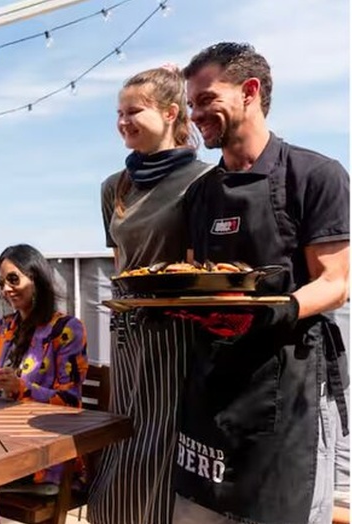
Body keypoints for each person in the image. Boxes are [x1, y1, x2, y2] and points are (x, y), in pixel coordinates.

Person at [173, 42, 349, 524]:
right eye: (191, 103)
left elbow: (335, 283)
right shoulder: (201, 194)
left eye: (206, 99)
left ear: (250, 92)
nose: (196, 113)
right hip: (213, 381)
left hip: (287, 382)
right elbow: (196, 279)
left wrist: (274, 310)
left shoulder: (315, 175)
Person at [88, 65, 212, 524]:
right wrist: (121, 317)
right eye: (118, 113)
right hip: (127, 327)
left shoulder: (202, 180)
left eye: (133, 111)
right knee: (124, 433)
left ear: (171, 112)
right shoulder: (113, 187)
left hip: (177, 332)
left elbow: (203, 266)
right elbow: (119, 262)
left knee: (163, 441)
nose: (123, 121)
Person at [0, 244, 88, 489]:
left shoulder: (65, 329)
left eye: (13, 279)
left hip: (45, 451)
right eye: (1, 283)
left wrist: (22, 388)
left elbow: (71, 402)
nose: (6, 289)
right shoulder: (1, 328)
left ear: (36, 278)